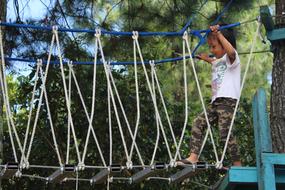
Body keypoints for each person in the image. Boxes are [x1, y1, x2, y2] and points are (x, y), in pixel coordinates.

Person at [177, 24, 242, 167]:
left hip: (227, 102)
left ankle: (237, 164)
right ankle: (194, 157)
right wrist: (205, 58)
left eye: (214, 47)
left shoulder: (233, 59)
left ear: (225, 44)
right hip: (216, 102)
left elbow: (230, 53)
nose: (211, 50)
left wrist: (218, 34)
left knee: (225, 134)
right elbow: (215, 62)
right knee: (197, 123)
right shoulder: (217, 61)